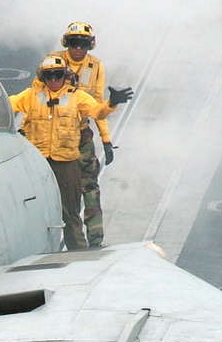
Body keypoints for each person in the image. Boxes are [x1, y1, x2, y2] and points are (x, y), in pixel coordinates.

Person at [9, 56, 132, 251]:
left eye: (58, 75)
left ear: (65, 76)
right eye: (49, 76)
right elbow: (8, 105)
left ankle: (79, 255)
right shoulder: (30, 95)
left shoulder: (77, 97)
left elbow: (97, 112)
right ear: (42, 77)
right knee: (26, 209)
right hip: (36, 162)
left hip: (66, 163)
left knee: (71, 212)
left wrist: (111, 104)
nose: (53, 80)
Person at [49, 22, 114, 247]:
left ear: (90, 45)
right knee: (60, 192)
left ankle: (95, 241)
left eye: (83, 43)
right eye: (74, 42)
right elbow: (36, 97)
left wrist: (105, 138)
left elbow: (97, 104)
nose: (78, 48)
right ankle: (70, 240)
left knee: (90, 188)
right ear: (67, 42)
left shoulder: (95, 67)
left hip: (82, 135)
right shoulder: (52, 62)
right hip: (56, 136)